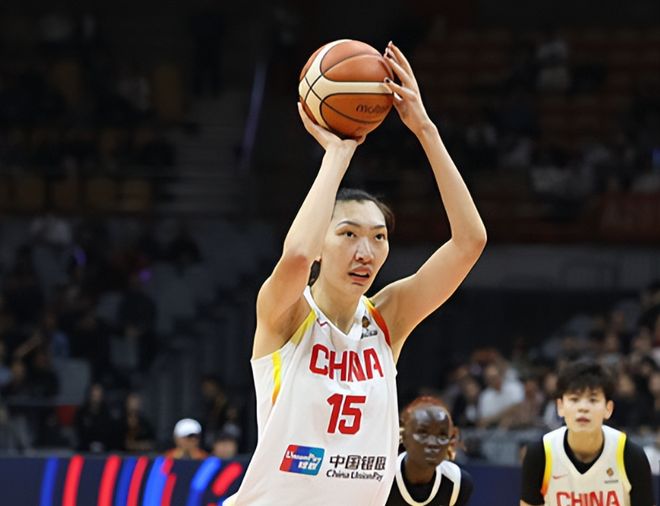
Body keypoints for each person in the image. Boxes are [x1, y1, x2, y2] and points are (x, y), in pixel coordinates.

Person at [228, 41, 486, 505]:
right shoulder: (286, 314)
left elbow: (470, 242)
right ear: (321, 244)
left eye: (378, 237)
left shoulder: (388, 320)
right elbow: (296, 256)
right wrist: (337, 154)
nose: (365, 251)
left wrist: (425, 128)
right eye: (348, 234)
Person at [520, 359, 655, 506]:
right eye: (574, 399)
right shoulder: (540, 454)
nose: (583, 408)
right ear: (560, 407)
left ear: (608, 408)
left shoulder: (630, 455)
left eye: (593, 400)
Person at [387, 396, 474, 505]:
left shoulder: (458, 483)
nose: (433, 443)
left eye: (442, 436)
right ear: (404, 436)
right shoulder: (383, 477)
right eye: (423, 433)